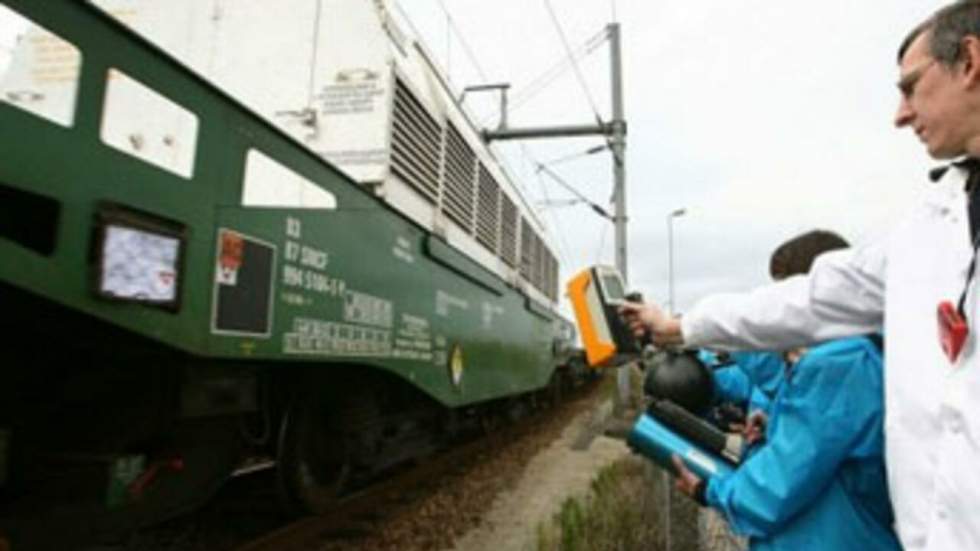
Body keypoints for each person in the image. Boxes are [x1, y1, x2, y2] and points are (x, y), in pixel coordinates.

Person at [622, 3, 980, 549]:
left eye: (911, 88)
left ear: (970, 62)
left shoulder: (842, 364)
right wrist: (678, 327)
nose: (900, 114)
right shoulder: (930, 226)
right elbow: (813, 299)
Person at [677, 231, 901, 550]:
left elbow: (776, 490)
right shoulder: (863, 355)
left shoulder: (838, 366)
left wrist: (709, 491)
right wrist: (773, 430)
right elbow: (823, 451)